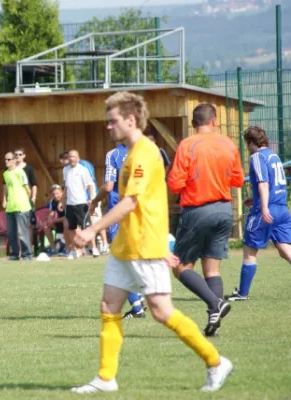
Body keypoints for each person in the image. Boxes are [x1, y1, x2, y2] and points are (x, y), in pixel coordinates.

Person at [70, 91, 232, 395]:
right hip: (126, 246)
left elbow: (131, 202)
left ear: (131, 120)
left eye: (112, 121)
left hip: (144, 246)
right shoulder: (130, 152)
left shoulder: (145, 152)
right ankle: (106, 378)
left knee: (160, 311)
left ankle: (215, 361)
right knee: (109, 305)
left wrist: (93, 230)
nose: (108, 126)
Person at [168, 103, 244, 337]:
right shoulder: (228, 144)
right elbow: (238, 180)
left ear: (193, 124)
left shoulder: (188, 145)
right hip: (224, 209)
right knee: (212, 269)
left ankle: (216, 303)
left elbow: (175, 184)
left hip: (197, 210)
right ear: (214, 121)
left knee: (180, 267)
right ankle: (214, 313)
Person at [226, 126, 291, 301]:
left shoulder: (257, 157)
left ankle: (242, 293)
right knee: (285, 250)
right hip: (282, 209)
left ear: (251, 143)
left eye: (247, 144)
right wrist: (253, 198)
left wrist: (262, 207)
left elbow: (263, 183)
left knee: (249, 252)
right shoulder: (274, 156)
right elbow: (275, 184)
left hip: (267, 209)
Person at [91, 140, 145, 319]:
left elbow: (108, 186)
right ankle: (140, 298)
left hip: (119, 209)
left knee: (121, 259)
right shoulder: (142, 152)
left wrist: (94, 201)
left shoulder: (113, 154)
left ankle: (137, 306)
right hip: (140, 208)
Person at [62, 150, 95, 259]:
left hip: (81, 202)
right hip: (70, 203)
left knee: (84, 228)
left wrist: (92, 199)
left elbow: (90, 185)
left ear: (78, 158)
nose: (71, 158)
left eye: (74, 156)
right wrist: (63, 200)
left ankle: (93, 248)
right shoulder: (65, 170)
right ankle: (76, 250)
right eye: (70, 156)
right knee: (71, 228)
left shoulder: (83, 170)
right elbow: (66, 186)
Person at [2, 151, 32, 260]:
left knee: (22, 232)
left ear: (14, 160)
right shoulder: (5, 173)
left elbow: (27, 188)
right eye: (5, 159)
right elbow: (5, 188)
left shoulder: (21, 172)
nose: (6, 161)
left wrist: (26, 200)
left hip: (21, 206)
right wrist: (4, 199)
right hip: (10, 207)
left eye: (9, 159)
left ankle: (27, 254)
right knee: (11, 233)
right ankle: (14, 254)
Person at [14, 147, 38, 246]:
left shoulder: (29, 168)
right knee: (17, 225)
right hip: (15, 200)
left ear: (24, 156)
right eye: (16, 154)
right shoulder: (11, 169)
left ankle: (28, 248)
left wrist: (34, 197)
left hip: (26, 200)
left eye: (20, 154)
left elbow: (34, 184)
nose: (18, 156)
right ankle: (19, 250)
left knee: (28, 225)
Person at [42, 184, 67, 255]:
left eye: (57, 193)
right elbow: (51, 212)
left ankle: (66, 248)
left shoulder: (66, 201)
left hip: (68, 224)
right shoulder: (53, 201)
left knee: (66, 222)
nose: (55, 196)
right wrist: (49, 219)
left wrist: (53, 220)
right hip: (59, 223)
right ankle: (53, 249)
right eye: (53, 194)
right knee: (46, 226)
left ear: (62, 192)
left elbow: (67, 217)